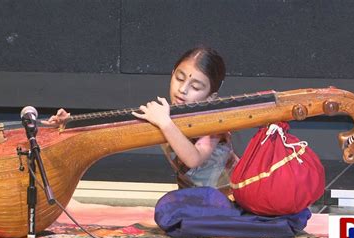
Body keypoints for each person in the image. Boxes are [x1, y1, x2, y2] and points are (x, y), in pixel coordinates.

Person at [44, 47, 238, 194]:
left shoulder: (214, 123)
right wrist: (71, 124)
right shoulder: (165, 114)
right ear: (172, 74)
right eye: (179, 78)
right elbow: (117, 127)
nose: (183, 90)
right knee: (169, 210)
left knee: (169, 210)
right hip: (193, 196)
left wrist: (165, 123)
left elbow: (193, 159)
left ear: (211, 97)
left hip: (227, 197)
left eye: (195, 86)